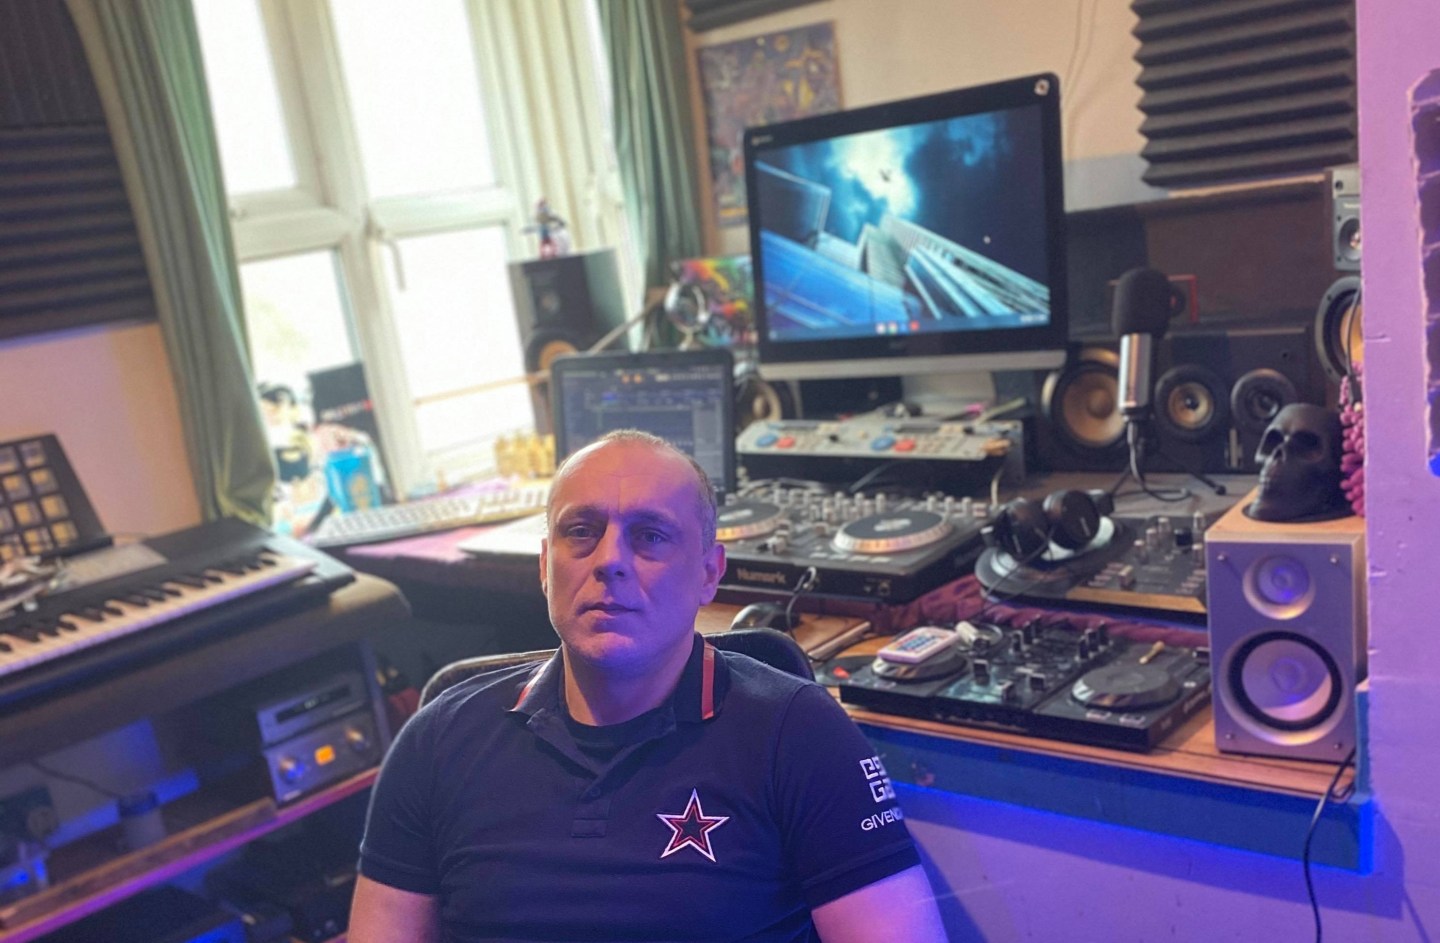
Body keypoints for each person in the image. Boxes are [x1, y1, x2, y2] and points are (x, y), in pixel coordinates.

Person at [349, 430, 948, 942]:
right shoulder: (436, 742)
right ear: (544, 567)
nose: (609, 560)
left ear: (709, 573)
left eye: (650, 535)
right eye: (581, 531)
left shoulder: (802, 735)